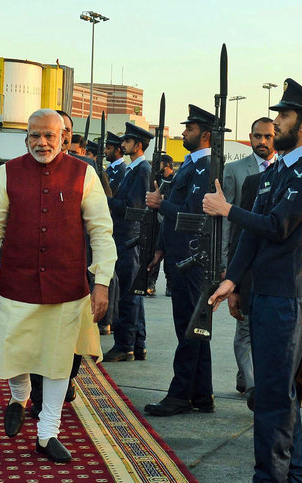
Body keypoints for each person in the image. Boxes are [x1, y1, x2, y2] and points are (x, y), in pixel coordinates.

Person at [0, 109, 116, 462]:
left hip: (66, 286)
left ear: (63, 137)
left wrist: (102, 282)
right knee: (13, 350)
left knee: (57, 364)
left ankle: (47, 433)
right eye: (35, 136)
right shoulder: (7, 173)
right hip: (18, 281)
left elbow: (101, 231)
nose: (42, 142)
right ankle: (19, 394)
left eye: (50, 136)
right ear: (26, 139)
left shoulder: (85, 174)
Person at [206, 78, 302, 482]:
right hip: (264, 294)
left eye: (284, 115)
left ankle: (271, 477)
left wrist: (227, 209)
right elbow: (252, 233)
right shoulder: (276, 171)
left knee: (275, 398)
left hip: (287, 298)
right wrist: (232, 279)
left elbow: (278, 225)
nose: (277, 121)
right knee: (277, 394)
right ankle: (292, 473)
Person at [144, 105, 214, 416]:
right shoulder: (189, 165)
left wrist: (161, 205)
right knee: (194, 327)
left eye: (191, 128)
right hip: (179, 255)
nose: (184, 132)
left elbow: (193, 215)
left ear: (206, 135)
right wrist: (161, 247)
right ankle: (201, 393)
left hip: (192, 258)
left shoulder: (207, 167)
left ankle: (181, 394)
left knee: (189, 328)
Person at [221, 117, 276, 400]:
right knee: (244, 326)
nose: (262, 141)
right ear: (250, 137)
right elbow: (231, 225)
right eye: (257, 136)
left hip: (277, 267)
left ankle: (247, 378)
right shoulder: (235, 170)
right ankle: (254, 386)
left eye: (268, 136)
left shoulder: (286, 171)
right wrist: (228, 270)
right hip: (247, 264)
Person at [103, 123, 152, 362]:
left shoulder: (141, 169)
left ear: (138, 145)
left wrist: (107, 201)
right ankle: (138, 342)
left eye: (127, 141)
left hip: (130, 237)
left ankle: (125, 345)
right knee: (133, 292)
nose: (123, 145)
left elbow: (134, 208)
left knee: (129, 295)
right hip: (125, 236)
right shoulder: (134, 169)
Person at [147, 154, 175, 297]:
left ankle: (170, 284)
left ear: (166, 165)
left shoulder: (174, 180)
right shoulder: (156, 180)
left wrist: (163, 200)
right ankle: (151, 282)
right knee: (155, 253)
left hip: (169, 220)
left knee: (168, 255)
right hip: (156, 221)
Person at [104, 131, 126, 196]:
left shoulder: (121, 170)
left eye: (108, 148)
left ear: (117, 150)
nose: (104, 151)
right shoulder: (110, 168)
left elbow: (111, 193)